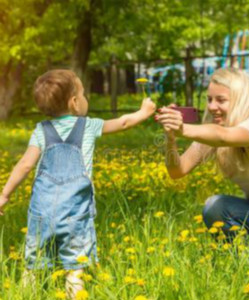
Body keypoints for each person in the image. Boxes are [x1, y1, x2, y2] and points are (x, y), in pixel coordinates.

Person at [0, 69, 156, 298]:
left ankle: (24, 295)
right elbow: (122, 123)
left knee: (33, 267)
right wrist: (144, 112)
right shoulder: (89, 126)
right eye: (83, 94)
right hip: (76, 213)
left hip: (41, 213)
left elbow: (24, 164)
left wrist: (4, 195)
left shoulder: (41, 131)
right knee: (75, 269)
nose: (85, 99)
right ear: (74, 102)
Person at [155, 67, 249, 254]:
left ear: (240, 100)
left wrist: (183, 129)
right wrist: (171, 140)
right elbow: (177, 171)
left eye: (221, 100)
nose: (212, 106)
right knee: (214, 207)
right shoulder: (216, 130)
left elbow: (223, 137)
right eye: (209, 99)